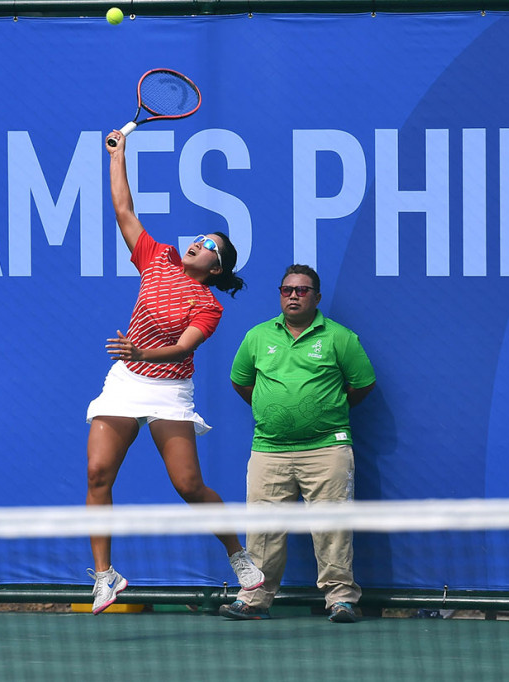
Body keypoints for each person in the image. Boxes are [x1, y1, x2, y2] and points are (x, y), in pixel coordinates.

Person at [84, 130, 264, 615]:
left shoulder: (207, 305)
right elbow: (124, 210)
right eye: (200, 238)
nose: (197, 243)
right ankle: (105, 576)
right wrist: (118, 157)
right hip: (125, 382)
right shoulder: (157, 257)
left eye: (208, 244)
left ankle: (239, 556)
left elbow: (180, 349)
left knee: (188, 485)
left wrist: (140, 347)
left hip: (168, 390)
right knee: (98, 473)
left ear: (216, 265)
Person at [219, 265, 376, 623]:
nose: (294, 295)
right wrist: (274, 412)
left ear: (316, 297)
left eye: (303, 290)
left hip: (327, 449)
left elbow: (362, 384)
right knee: (262, 528)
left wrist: (326, 411)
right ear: (280, 294)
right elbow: (242, 383)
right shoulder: (257, 336)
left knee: (332, 526)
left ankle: (341, 600)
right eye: (287, 289)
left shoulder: (340, 338)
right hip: (269, 449)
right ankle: (254, 599)